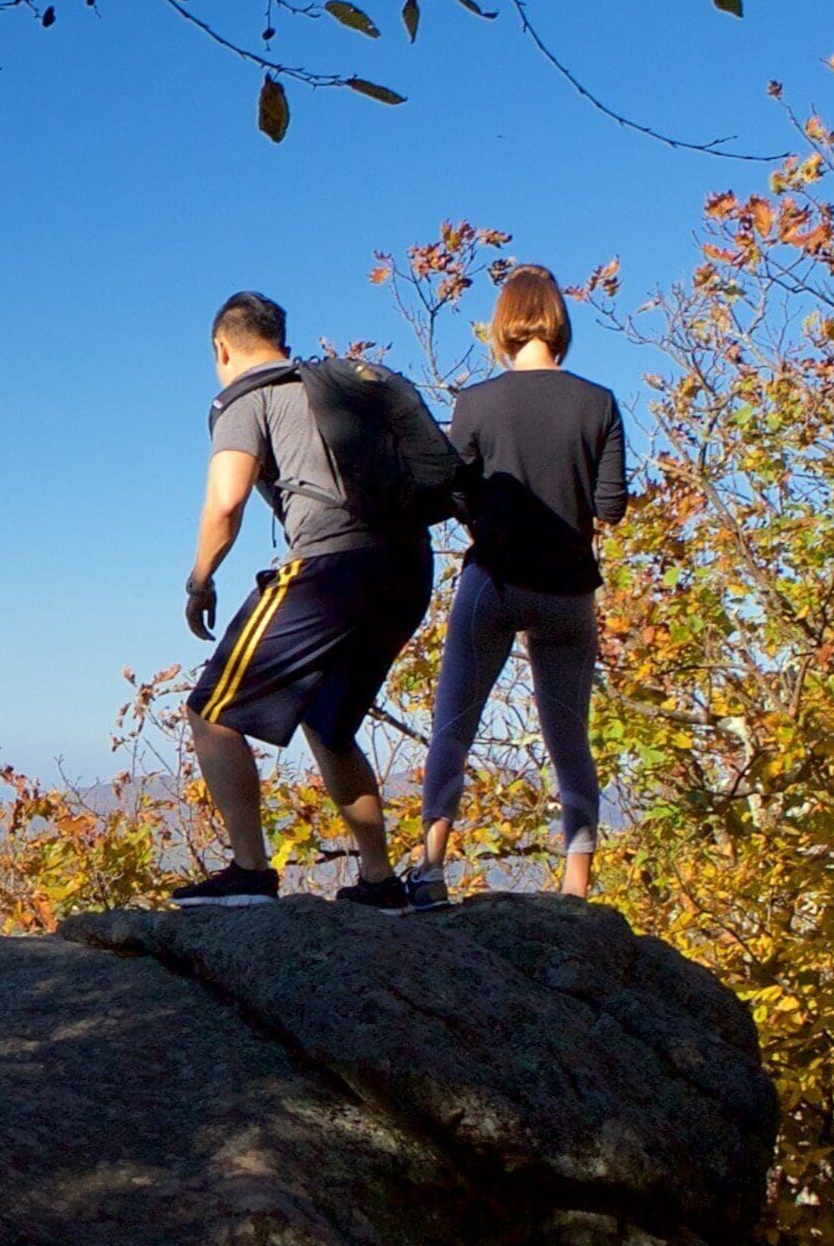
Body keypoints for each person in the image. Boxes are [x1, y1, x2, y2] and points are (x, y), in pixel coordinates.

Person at [171, 290, 462, 909]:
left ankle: (249, 873)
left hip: (333, 566)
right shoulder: (333, 387)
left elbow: (226, 502)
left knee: (211, 711)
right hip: (408, 567)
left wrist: (200, 579)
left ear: (222, 348)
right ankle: (380, 883)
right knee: (329, 722)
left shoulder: (250, 397)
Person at [411, 264, 629, 904]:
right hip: (569, 589)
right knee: (570, 736)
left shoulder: (477, 403)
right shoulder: (599, 403)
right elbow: (611, 505)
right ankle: (576, 885)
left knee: (454, 722)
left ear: (504, 323)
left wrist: (484, 510)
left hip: (495, 582)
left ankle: (429, 870)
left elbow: (449, 488)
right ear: (560, 322)